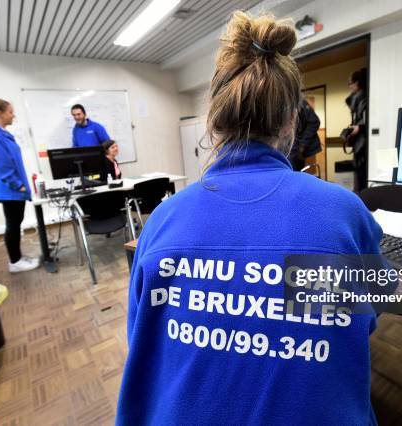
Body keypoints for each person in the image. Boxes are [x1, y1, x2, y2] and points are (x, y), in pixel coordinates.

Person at [116, 11, 385, 425]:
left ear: (215, 121)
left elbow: (144, 337)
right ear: (292, 121)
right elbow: (359, 318)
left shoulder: (163, 220)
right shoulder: (341, 213)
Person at [0, 97, 40, 273]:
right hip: (10, 190)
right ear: (0, 114)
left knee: (15, 223)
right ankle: (15, 262)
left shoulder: (1, 132)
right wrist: (17, 185)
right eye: (10, 112)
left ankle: (18, 257)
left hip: (13, 189)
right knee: (13, 225)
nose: (13, 115)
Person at [345, 68, 368, 192]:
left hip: (363, 146)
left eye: (350, 83)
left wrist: (360, 127)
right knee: (359, 176)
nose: (349, 86)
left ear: (357, 83)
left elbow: (367, 120)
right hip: (359, 144)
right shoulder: (356, 100)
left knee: (362, 176)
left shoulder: (364, 99)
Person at [288, 98, 322, 171]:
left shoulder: (299, 101)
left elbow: (314, 122)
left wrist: (303, 144)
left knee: (294, 174)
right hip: (286, 148)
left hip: (294, 148)